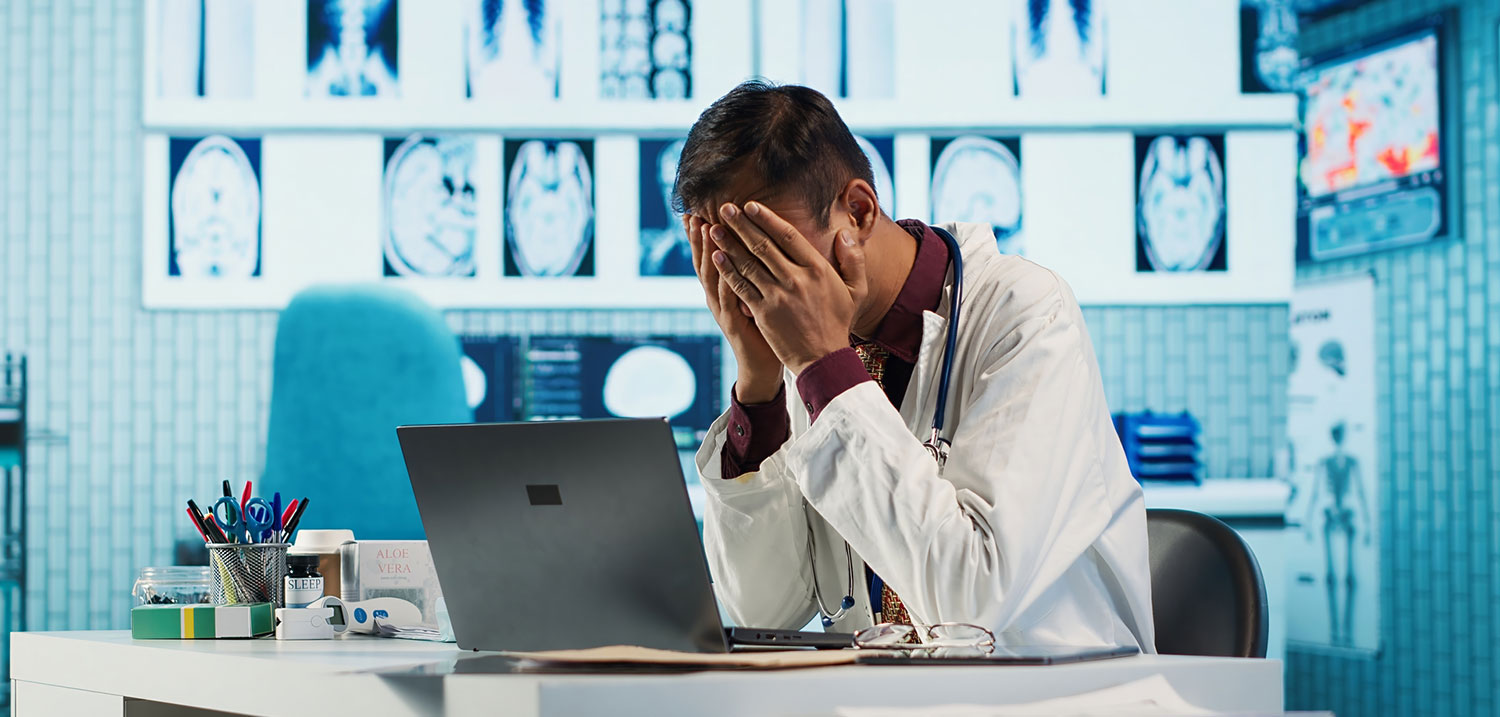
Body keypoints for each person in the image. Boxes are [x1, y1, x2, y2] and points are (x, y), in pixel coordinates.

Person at [678, 81, 1155, 650]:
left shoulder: (1024, 312)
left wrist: (826, 368)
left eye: (767, 249)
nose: (751, 283)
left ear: (856, 212)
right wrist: (759, 389)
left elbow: (972, 605)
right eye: (725, 258)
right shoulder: (805, 355)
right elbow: (760, 610)